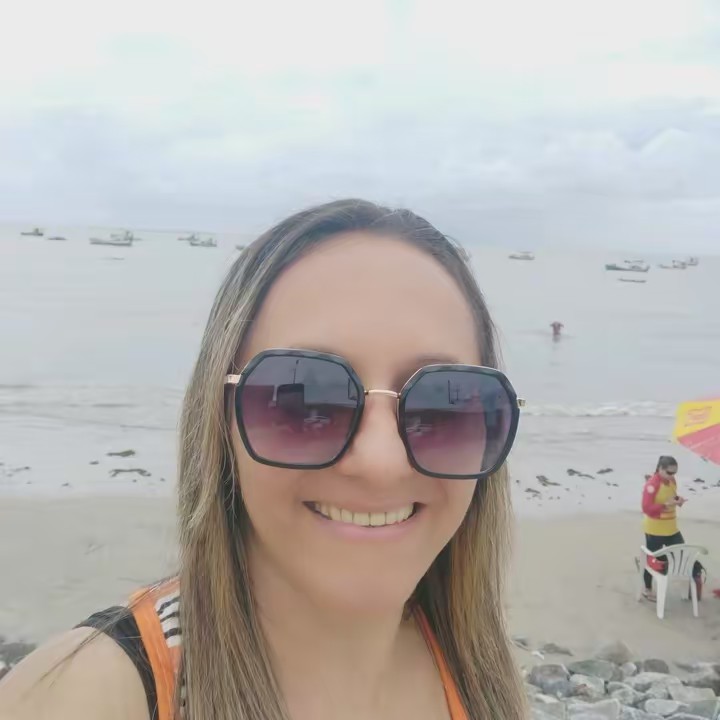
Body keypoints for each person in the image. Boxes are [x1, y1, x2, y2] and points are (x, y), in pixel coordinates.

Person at [0, 199, 527, 720]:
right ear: (220, 422)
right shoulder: (84, 696)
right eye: (302, 400)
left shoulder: (478, 673)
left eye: (442, 405)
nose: (380, 463)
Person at [641, 455, 704, 601]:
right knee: (653, 560)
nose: (672, 476)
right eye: (669, 472)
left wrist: (678, 500)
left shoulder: (672, 480)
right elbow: (646, 508)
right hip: (655, 530)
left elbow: (671, 496)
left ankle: (694, 583)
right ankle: (647, 589)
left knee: (684, 556)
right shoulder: (652, 484)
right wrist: (665, 505)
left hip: (672, 528)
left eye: (674, 473)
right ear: (660, 469)